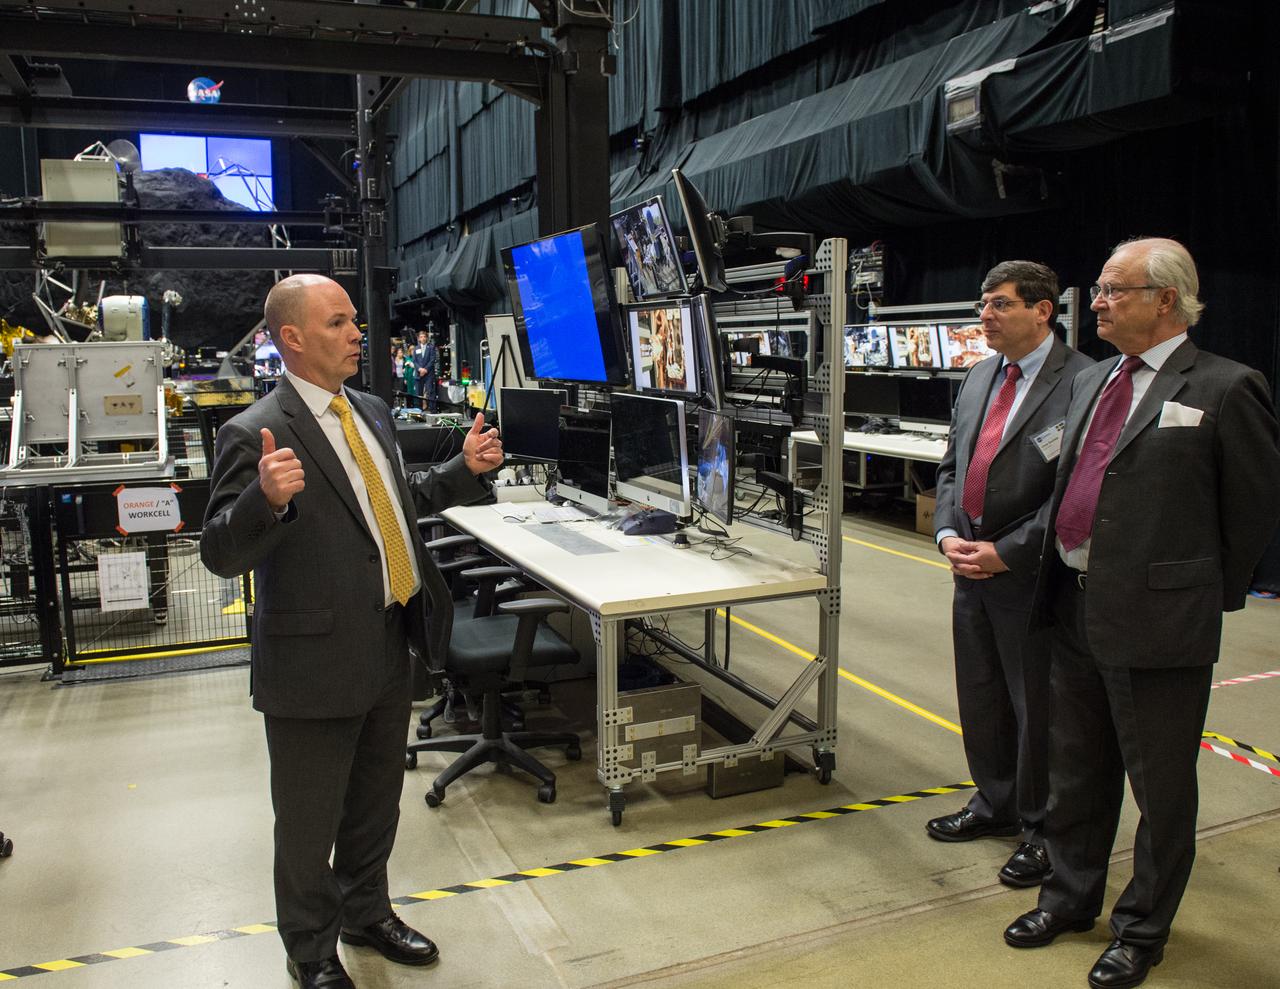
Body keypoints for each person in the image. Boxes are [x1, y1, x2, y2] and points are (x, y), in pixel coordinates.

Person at [200, 274, 503, 989]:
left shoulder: (369, 409)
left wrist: (462, 469)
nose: (357, 334)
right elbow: (218, 550)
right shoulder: (253, 432)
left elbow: (400, 502)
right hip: (310, 665)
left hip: (388, 644)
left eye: (354, 322)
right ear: (293, 339)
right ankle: (309, 951)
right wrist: (263, 501)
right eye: (338, 323)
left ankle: (368, 910)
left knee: (374, 804)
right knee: (307, 824)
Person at [1002, 238, 1280, 989]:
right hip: (1073, 606)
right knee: (1077, 772)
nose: (1094, 302)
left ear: (1166, 298)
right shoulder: (1097, 380)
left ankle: (1142, 928)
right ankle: (1067, 897)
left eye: (1112, 290)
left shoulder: (1226, 385)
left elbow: (1250, 511)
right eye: (1096, 289)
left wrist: (1195, 597)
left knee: (1160, 789)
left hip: (1160, 621)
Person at [930, 261, 1094, 889]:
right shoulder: (978, 377)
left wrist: (1011, 550)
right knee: (982, 694)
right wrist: (948, 532)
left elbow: (1079, 492)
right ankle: (994, 802)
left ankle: (1045, 831)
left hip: (1030, 575)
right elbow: (952, 466)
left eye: (999, 304)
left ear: (1042, 309)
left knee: (1038, 710)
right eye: (983, 304)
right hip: (968, 565)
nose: (985, 315)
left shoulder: (1084, 383)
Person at [413, 328, 438, 412]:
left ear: (426, 338)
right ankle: (418, 410)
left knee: (430, 391)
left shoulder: (431, 347)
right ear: (419, 338)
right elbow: (414, 361)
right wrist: (420, 369)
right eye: (421, 337)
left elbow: (432, 359)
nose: (423, 338)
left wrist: (425, 369)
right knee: (418, 393)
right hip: (418, 373)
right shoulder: (416, 348)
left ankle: (432, 410)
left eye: (424, 337)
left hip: (428, 373)